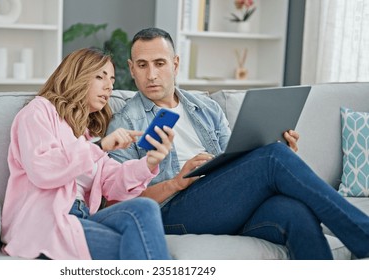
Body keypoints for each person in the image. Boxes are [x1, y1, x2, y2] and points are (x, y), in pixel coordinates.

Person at [106, 27, 369, 259]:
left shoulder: (206, 108)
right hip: (172, 212)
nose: (151, 74)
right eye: (142, 65)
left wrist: (274, 149)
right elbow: (115, 204)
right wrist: (176, 182)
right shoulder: (124, 122)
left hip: (225, 202)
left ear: (175, 64)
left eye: (159, 63)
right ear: (131, 68)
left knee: (294, 212)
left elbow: (232, 161)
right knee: (272, 158)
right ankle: (363, 235)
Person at [1, 47, 174, 260]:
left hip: (83, 218)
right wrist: (100, 147)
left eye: (111, 80)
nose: (109, 86)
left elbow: (113, 183)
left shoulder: (87, 134)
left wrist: (148, 163)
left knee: (144, 208)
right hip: (47, 223)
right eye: (100, 77)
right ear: (77, 76)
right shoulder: (39, 111)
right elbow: (42, 170)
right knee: (140, 249)